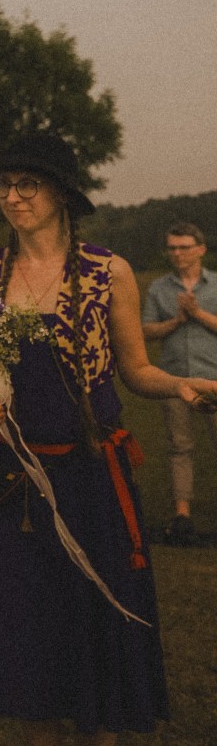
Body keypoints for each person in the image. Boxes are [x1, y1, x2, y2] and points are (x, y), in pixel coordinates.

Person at [0, 132, 217, 746]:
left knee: (99, 622)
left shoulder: (108, 272)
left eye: (28, 183)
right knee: (25, 625)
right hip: (13, 480)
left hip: (91, 475)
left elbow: (135, 369)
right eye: (4, 184)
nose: (12, 196)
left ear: (62, 194)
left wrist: (182, 384)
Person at [142, 223, 217, 545]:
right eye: (172, 247)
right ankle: (182, 517)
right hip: (173, 379)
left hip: (214, 378)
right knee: (179, 446)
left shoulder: (215, 285)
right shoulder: (159, 288)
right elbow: (146, 330)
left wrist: (198, 314)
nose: (177, 253)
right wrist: (177, 321)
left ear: (200, 249)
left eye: (183, 247)